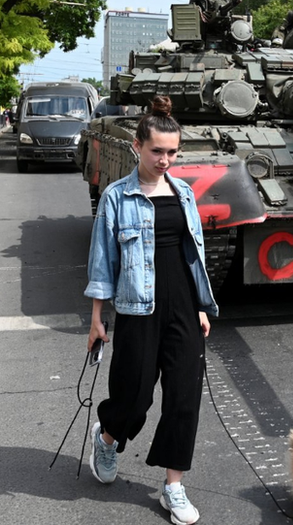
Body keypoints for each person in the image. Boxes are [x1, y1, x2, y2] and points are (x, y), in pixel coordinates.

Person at [84, 95, 218, 525]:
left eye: (172, 152)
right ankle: (107, 438)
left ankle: (173, 486)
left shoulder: (182, 193)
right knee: (134, 396)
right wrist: (96, 319)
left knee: (184, 398)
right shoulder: (116, 198)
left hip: (182, 306)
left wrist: (199, 305)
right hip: (137, 307)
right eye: (157, 150)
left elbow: (191, 253)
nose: (165, 160)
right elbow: (103, 263)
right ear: (138, 146)